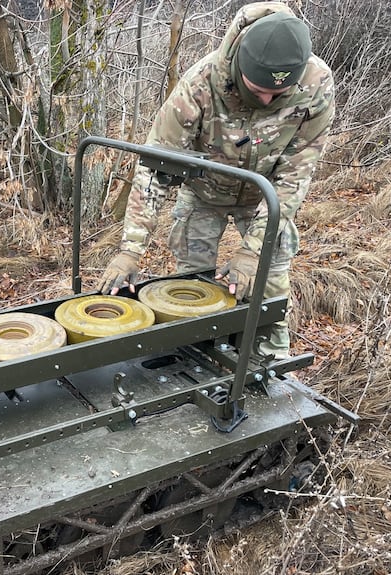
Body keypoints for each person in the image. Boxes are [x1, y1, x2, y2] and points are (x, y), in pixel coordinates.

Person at [98, 1, 335, 359]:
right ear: (240, 66)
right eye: (257, 91)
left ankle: (268, 363)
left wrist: (252, 251)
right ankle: (195, 355)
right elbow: (155, 167)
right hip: (203, 192)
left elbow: (295, 176)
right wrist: (130, 250)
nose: (267, 99)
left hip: (267, 198)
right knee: (191, 282)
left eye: (278, 95)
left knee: (270, 279)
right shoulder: (200, 84)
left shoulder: (316, 85)